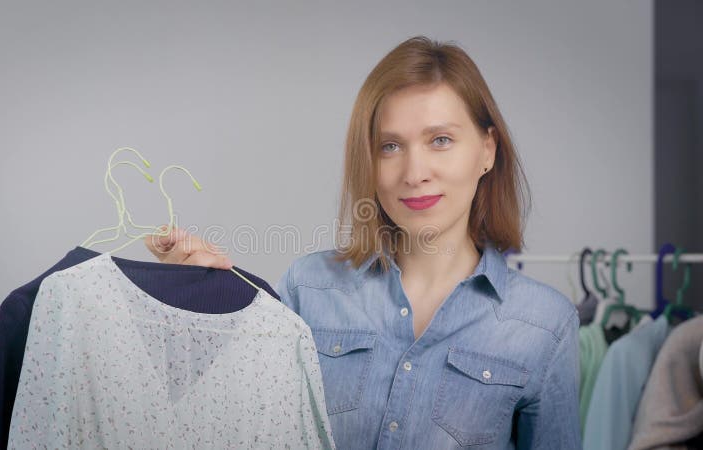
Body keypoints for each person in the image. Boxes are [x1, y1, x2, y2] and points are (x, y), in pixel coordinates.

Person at [144, 36, 581, 450]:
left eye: (440, 140)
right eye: (390, 146)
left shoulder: (545, 325)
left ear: (487, 150)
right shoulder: (308, 288)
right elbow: (232, 422)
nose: (414, 172)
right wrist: (198, 308)